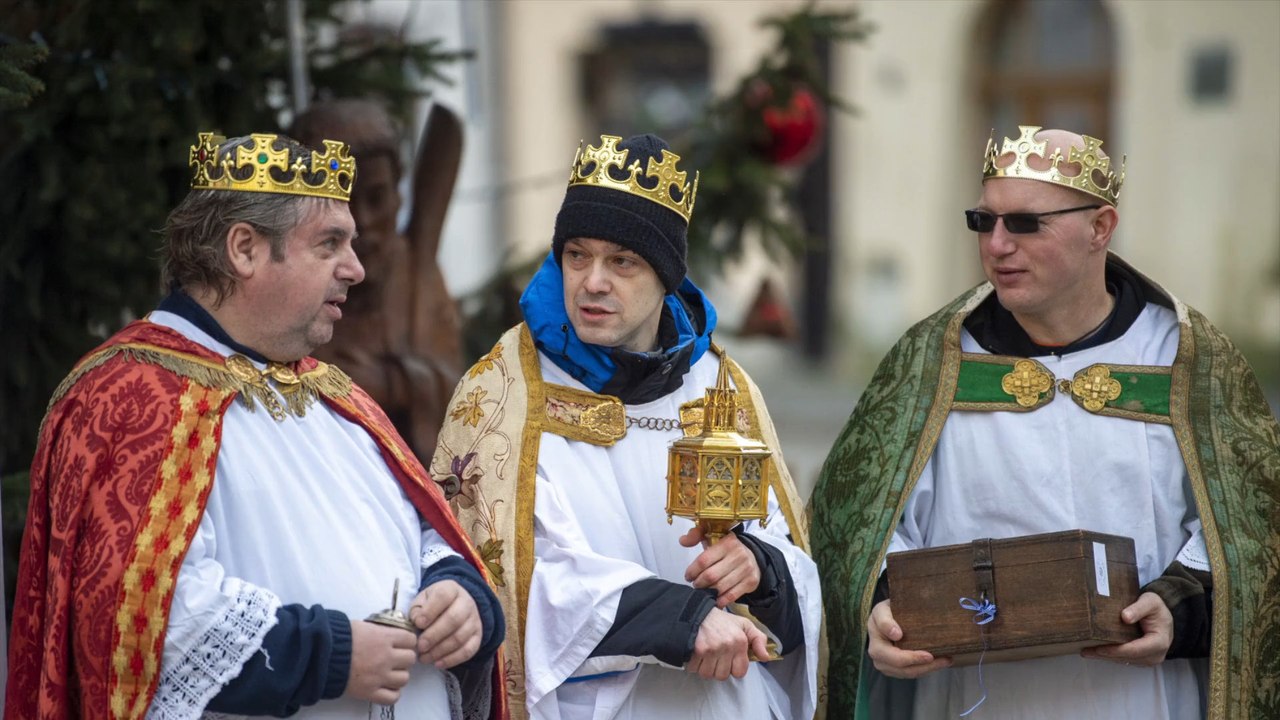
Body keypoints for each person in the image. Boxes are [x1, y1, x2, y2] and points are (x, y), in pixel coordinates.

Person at [5, 132, 507, 719]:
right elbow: (138, 623)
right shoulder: (128, 398)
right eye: (330, 244)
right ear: (244, 249)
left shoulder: (333, 394)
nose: (358, 268)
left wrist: (461, 596)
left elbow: (423, 534)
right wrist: (333, 657)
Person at [811, 126, 1280, 719]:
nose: (997, 245)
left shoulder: (1187, 361)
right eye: (984, 222)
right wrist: (883, 604)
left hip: (1140, 699)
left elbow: (1253, 531)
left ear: (1101, 227)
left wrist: (1181, 608)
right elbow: (857, 523)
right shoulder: (930, 362)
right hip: (970, 700)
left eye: (1026, 224)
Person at [429, 134, 823, 719]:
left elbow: (797, 570)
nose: (592, 281)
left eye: (623, 261)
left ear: (666, 277)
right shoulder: (502, 392)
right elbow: (507, 585)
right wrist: (680, 619)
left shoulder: (719, 386)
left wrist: (759, 569)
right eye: (577, 255)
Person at [292, 98, 464, 460]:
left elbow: (462, 394)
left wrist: (393, 383)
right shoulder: (296, 285)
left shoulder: (416, 271)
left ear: (399, 194)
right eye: (345, 201)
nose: (364, 222)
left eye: (377, 197)